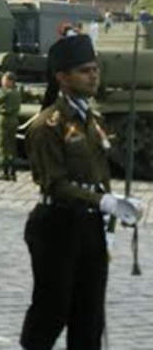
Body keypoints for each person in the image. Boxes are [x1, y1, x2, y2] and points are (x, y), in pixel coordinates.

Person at [21, 26, 143, 349]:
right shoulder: (47, 125)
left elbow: (97, 175)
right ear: (62, 77)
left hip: (89, 226)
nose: (94, 76)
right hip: (55, 225)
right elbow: (54, 183)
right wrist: (103, 201)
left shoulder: (93, 121)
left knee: (90, 317)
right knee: (52, 311)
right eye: (84, 71)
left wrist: (118, 202)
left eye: (95, 69)